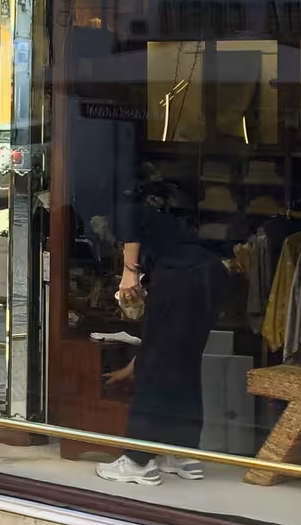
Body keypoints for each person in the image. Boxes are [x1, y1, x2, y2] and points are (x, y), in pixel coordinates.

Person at [96, 180, 224, 486]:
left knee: (157, 369)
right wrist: (131, 366)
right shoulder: (170, 222)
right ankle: (183, 454)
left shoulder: (126, 210)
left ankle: (138, 461)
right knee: (185, 362)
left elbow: (128, 222)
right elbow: (160, 346)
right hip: (211, 275)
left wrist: (129, 272)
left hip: (179, 279)